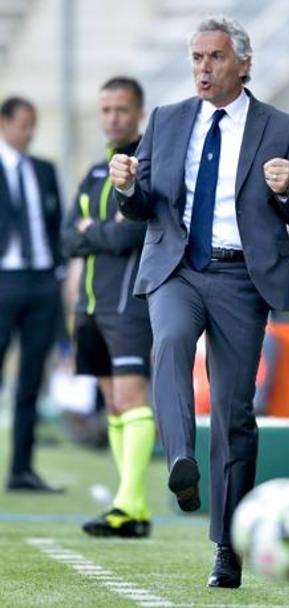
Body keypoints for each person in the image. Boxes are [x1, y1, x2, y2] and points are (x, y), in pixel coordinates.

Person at [110, 16, 289, 586]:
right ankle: (181, 459)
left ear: (244, 64)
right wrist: (126, 186)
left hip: (242, 280)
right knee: (172, 340)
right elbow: (143, 205)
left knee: (234, 413)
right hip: (176, 267)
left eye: (216, 57)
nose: (203, 68)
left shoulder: (283, 129)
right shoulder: (167, 119)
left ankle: (228, 546)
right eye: (197, 58)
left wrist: (287, 189)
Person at [62, 77, 154, 538]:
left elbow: (129, 234)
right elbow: (66, 238)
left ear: (139, 113)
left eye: (121, 109)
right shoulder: (95, 172)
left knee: (132, 400)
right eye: (106, 110)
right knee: (114, 405)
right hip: (91, 306)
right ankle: (131, 508)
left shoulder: (147, 166)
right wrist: (101, 231)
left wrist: (90, 230)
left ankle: (128, 503)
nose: (113, 118)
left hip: (128, 305)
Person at [0, 96, 64, 492]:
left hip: (42, 282)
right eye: (24, 123)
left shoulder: (44, 170)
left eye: (33, 124)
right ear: (4, 124)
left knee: (31, 379)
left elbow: (56, 224)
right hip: (3, 278)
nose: (30, 132)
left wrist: (59, 270)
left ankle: (21, 470)